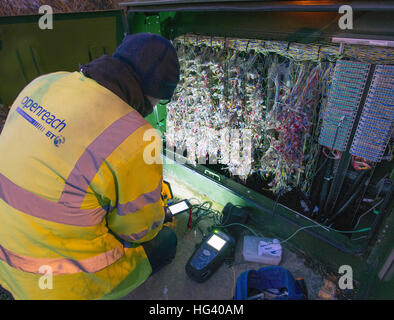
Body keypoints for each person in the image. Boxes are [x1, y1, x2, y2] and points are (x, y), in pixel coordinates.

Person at [0, 33, 180, 300]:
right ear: (152, 96)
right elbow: (139, 231)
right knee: (165, 242)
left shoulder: (44, 83)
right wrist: (157, 212)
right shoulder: (137, 137)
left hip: (4, 254)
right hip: (58, 284)